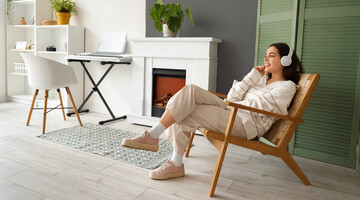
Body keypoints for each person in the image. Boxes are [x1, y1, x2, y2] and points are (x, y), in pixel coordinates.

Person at [122, 42, 304, 180]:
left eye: (271, 55)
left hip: (243, 124)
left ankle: (173, 159)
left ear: (285, 61)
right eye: (266, 55)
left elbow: (257, 107)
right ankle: (155, 137)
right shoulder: (260, 80)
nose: (265, 59)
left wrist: (244, 94)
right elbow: (232, 97)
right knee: (190, 91)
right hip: (231, 110)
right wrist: (252, 76)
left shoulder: (287, 87)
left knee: (185, 111)